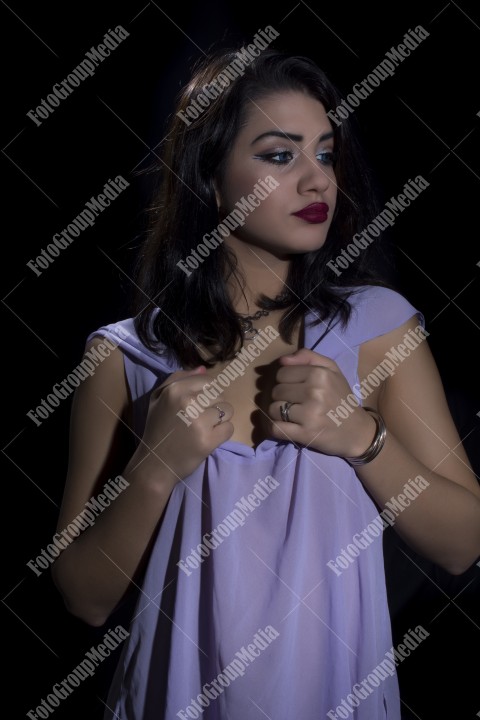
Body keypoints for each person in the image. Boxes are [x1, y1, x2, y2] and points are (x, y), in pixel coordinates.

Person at [51, 44, 480, 720]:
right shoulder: (121, 357)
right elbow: (82, 596)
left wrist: (365, 437)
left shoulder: (379, 330)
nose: (318, 182)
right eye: (280, 156)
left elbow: (465, 544)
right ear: (212, 181)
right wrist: (154, 470)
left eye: (326, 154)